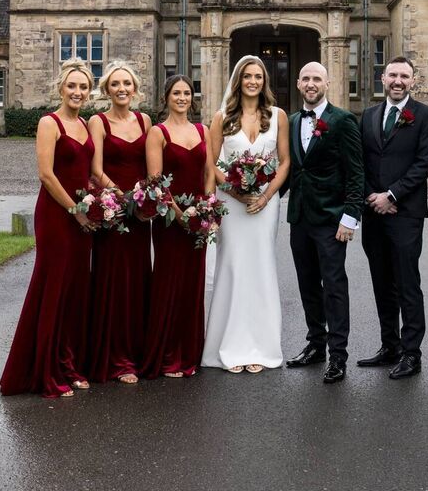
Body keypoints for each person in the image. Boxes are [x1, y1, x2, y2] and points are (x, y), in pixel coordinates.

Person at [0, 59, 97, 398]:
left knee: (75, 291)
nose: (77, 92)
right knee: (53, 288)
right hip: (57, 216)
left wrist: (102, 200)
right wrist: (74, 210)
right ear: (61, 88)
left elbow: (88, 173)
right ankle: (47, 371)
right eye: (72, 86)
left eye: (83, 87)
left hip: (82, 216)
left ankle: (69, 364)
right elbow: (46, 174)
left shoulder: (84, 124)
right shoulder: (49, 123)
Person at [201, 56, 291, 373]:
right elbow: (212, 163)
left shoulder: (278, 116)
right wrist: (236, 192)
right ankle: (230, 347)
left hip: (265, 205)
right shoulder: (222, 118)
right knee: (234, 268)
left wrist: (266, 196)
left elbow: (284, 162)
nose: (253, 81)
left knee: (261, 269)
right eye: (247, 76)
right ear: (238, 80)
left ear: (264, 82)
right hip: (232, 204)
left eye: (258, 76)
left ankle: (261, 347)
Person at [283, 61, 364, 384]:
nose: (311, 84)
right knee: (307, 284)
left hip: (332, 219)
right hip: (300, 217)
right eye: (306, 78)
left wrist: (350, 217)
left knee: (333, 287)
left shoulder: (342, 121)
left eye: (317, 78)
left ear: (327, 84)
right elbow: (292, 170)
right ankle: (315, 344)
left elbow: (356, 173)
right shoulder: (291, 121)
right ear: (298, 84)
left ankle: (338, 355)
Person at [357, 56, 428, 379]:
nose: (398, 81)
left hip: (405, 214)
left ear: (412, 81)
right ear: (383, 78)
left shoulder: (425, 116)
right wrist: (372, 197)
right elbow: (360, 162)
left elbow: (425, 162)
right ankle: (389, 345)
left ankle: (411, 353)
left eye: (404, 76)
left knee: (407, 284)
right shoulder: (368, 115)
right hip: (373, 213)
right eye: (393, 75)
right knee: (382, 283)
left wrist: (391, 195)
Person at [142, 75, 211, 379]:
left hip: (199, 220)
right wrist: (181, 215)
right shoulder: (158, 133)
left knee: (193, 285)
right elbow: (155, 181)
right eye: (176, 93)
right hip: (170, 221)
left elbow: (209, 173)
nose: (182, 98)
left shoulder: (203, 130)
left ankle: (190, 353)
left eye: (186, 93)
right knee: (169, 282)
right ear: (166, 98)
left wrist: (207, 209)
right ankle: (167, 355)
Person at [87, 62, 151, 384]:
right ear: (107, 90)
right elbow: (95, 170)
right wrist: (123, 197)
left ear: (135, 89)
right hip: (113, 212)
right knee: (113, 281)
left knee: (138, 280)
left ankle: (138, 354)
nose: (122, 88)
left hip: (139, 215)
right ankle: (115, 359)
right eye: (115, 84)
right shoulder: (97, 122)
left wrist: (145, 200)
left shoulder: (145, 121)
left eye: (127, 83)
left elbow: (152, 168)